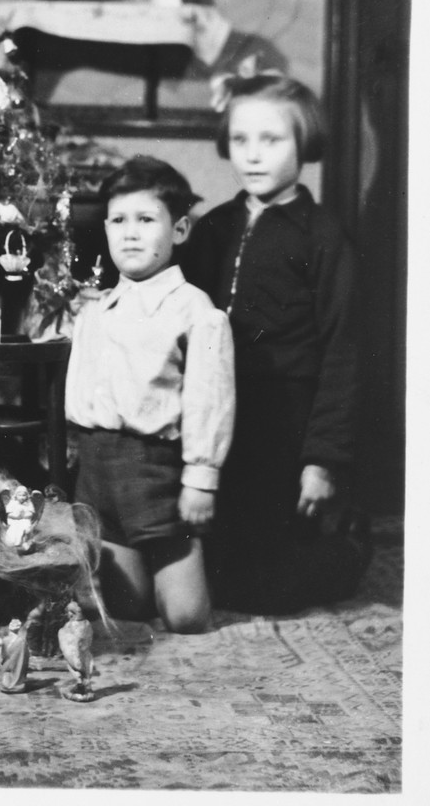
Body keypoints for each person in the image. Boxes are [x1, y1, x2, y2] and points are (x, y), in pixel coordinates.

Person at [180, 74, 372, 614]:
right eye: (241, 140)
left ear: (303, 142)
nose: (253, 155)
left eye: (272, 140)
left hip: (285, 423)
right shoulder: (213, 227)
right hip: (217, 419)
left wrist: (322, 461)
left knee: (263, 592)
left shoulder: (324, 236)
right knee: (201, 577)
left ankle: (348, 545)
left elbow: (343, 353)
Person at [65, 156, 235, 633]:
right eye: (119, 221)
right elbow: (81, 381)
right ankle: (137, 577)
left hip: (154, 468)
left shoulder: (194, 311)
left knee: (184, 617)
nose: (130, 233)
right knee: (126, 607)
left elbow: (210, 397)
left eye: (146, 220)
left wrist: (201, 477)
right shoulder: (96, 309)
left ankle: (188, 562)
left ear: (179, 230)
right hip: (97, 473)